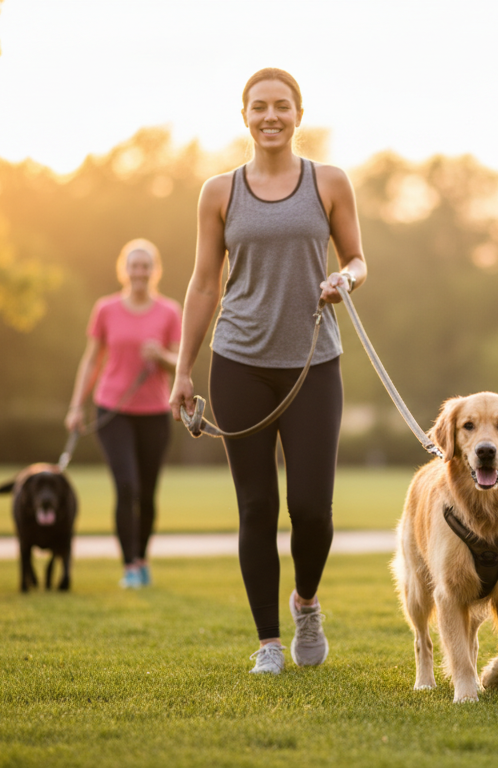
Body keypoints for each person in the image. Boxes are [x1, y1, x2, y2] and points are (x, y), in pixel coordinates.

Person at [168, 68, 366, 675]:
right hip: (239, 363)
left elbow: (357, 258)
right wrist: (182, 370)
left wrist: (345, 279)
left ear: (298, 115)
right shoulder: (219, 192)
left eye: (282, 106)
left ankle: (306, 602)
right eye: (259, 107)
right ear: (245, 116)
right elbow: (204, 284)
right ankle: (269, 645)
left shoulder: (328, 182)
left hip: (313, 363)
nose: (270, 116)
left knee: (311, 509)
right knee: (256, 507)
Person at [66, 239, 181, 589]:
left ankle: (142, 558)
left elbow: (181, 361)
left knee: (147, 492)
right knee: (126, 486)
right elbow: (91, 359)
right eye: (134, 265)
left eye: (146, 265)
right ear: (125, 269)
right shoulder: (106, 309)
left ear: (154, 270)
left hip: (155, 412)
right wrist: (75, 405)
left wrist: (160, 355)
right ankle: (129, 566)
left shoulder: (170, 312)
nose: (140, 272)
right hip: (112, 408)